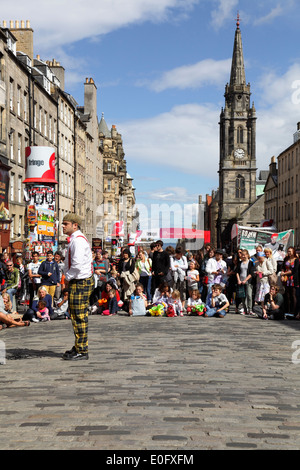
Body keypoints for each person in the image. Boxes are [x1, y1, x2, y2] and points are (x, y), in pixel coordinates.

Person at [61, 213, 94, 361]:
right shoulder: (75, 240)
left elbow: (77, 265)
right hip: (79, 281)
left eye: (66, 223)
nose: (63, 226)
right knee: (76, 316)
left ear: (75, 225)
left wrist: (67, 278)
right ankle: (79, 345)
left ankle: (82, 349)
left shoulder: (78, 241)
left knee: (79, 316)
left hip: (80, 281)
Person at [236, 249, 255, 315]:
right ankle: (245, 309)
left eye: (244, 255)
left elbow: (251, 273)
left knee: (249, 295)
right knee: (243, 296)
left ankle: (250, 309)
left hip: (248, 281)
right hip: (241, 281)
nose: (243, 256)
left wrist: (245, 280)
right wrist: (239, 280)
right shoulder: (240, 263)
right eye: (242, 255)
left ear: (247, 255)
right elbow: (237, 272)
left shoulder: (250, 263)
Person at [281, 247, 299, 318]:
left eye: (290, 251)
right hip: (286, 279)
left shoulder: (296, 260)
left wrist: (284, 273)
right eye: (288, 251)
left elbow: (294, 270)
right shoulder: (286, 259)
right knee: (287, 295)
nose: (289, 253)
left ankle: (294, 311)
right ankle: (288, 311)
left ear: (293, 252)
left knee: (293, 295)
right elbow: (282, 267)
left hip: (293, 278)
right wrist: (282, 273)